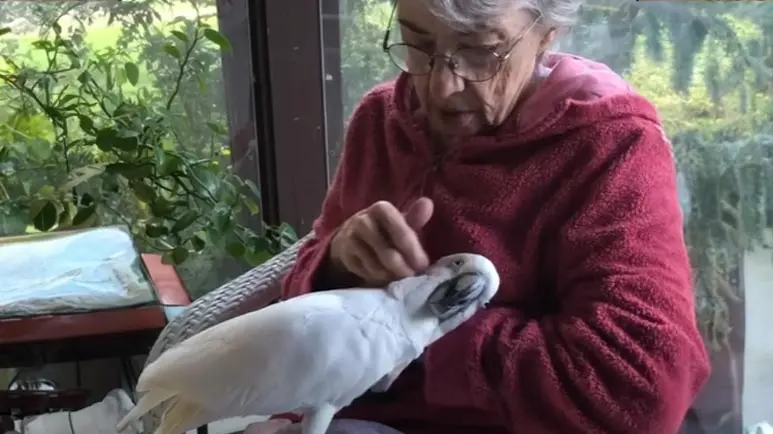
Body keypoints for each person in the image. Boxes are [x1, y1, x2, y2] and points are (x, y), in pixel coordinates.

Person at [275, 0, 712, 432]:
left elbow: (642, 390)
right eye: (417, 43)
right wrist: (336, 263)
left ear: (547, 33)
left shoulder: (612, 146)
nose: (440, 88)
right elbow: (299, 300)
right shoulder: (381, 118)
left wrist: (415, 328)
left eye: (480, 51)